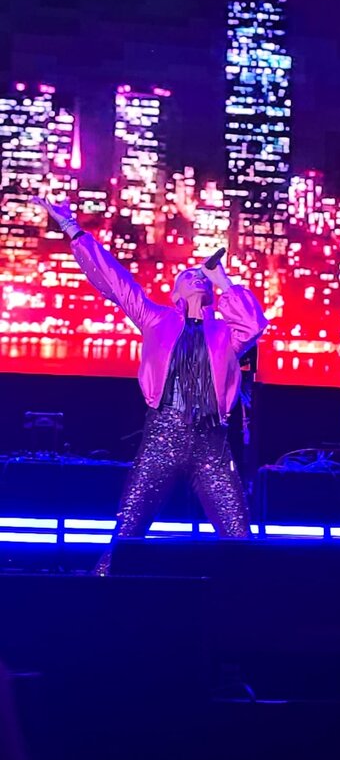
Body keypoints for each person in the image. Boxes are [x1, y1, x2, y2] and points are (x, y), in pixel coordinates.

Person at [33, 198, 267, 571]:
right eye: (187, 275)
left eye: (201, 275)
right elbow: (115, 280)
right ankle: (98, 594)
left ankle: (248, 604)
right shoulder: (157, 319)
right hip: (163, 436)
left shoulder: (226, 333)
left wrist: (223, 281)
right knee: (127, 534)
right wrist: (72, 228)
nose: (197, 276)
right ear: (174, 295)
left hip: (212, 444)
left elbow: (253, 325)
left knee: (240, 539)